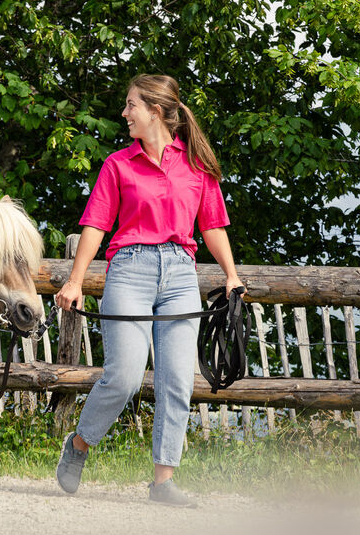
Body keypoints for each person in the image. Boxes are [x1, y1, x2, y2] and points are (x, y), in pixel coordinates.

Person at [53, 74, 245, 506]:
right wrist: (75, 281)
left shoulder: (195, 165)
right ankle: (79, 445)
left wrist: (231, 275)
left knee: (177, 379)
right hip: (131, 271)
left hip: (180, 274)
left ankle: (163, 482)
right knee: (122, 377)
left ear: (155, 111)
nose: (125, 114)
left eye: (130, 105)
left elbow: (212, 225)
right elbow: (96, 226)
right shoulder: (118, 164)